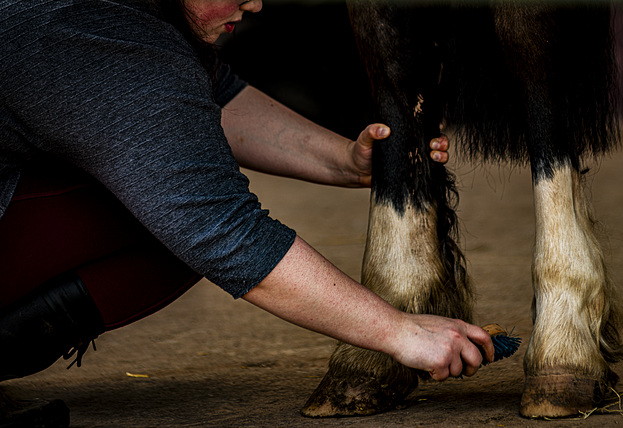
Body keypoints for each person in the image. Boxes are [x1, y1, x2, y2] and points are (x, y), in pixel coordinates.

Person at [0, 0, 493, 426]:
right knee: (171, 210)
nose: (257, 4)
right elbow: (220, 228)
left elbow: (213, 98)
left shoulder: (128, 15)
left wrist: (344, 162)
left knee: (172, 180)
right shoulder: (94, 32)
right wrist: (399, 331)